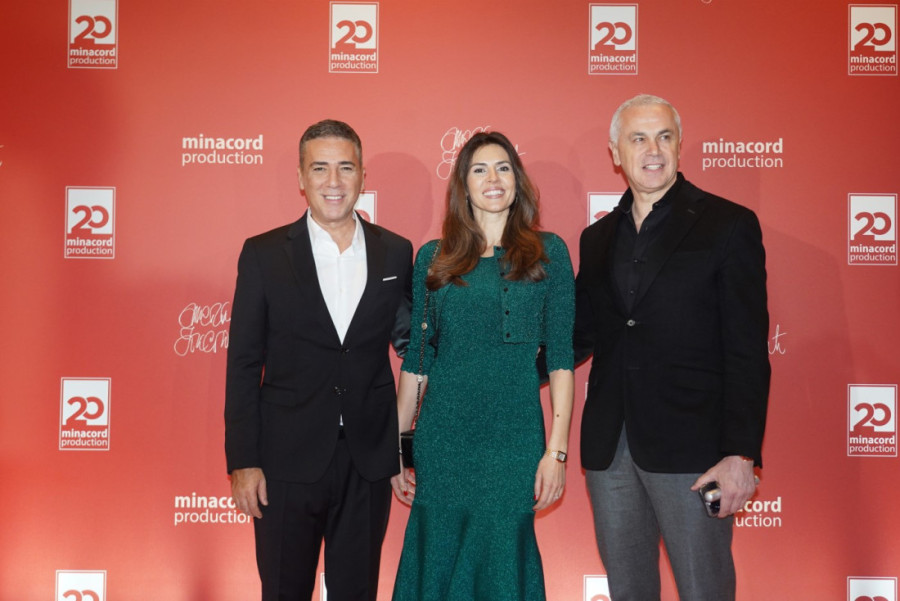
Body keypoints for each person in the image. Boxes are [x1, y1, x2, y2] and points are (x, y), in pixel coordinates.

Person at [574, 94, 770, 601]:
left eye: (664, 137)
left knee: (704, 591)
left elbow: (747, 348)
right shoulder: (596, 238)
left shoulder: (728, 224)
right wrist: (494, 368)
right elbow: (579, 335)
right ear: (616, 152)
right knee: (628, 591)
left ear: (680, 146)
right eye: (638, 138)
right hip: (610, 449)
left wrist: (740, 454)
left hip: (694, 452)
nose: (653, 150)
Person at [224, 119, 413, 601]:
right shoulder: (264, 254)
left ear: (363, 176)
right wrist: (244, 461)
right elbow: (243, 363)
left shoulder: (396, 252)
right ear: (301, 178)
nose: (334, 181)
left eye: (346, 168)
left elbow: (413, 350)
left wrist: (402, 448)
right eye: (320, 168)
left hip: (367, 461)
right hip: (285, 460)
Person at [390, 131, 575, 601]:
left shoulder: (550, 252)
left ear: (517, 180)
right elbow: (418, 359)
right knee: (439, 554)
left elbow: (560, 359)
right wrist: (396, 449)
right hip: (444, 440)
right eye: (479, 170)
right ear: (463, 186)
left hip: (515, 439)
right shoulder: (433, 257)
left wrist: (556, 453)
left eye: (503, 168)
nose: (493, 179)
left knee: (502, 558)